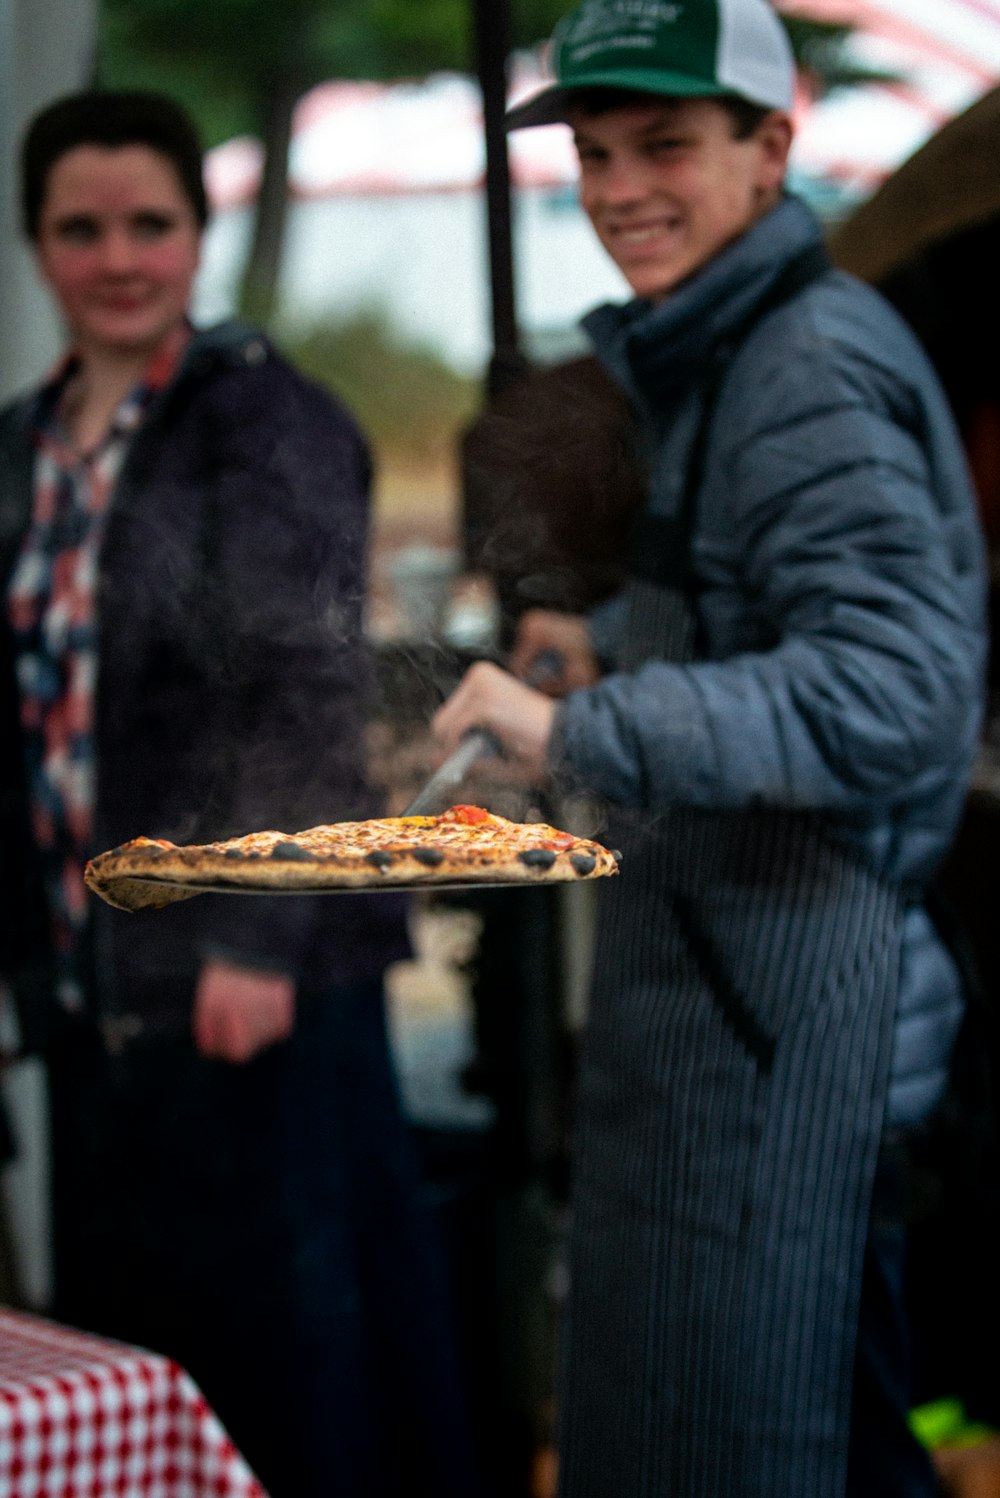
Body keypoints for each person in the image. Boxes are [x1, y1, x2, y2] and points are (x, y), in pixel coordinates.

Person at [432, 2, 989, 1494]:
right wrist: (605, 641)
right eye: (598, 151)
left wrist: (578, 722)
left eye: (666, 144)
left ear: (772, 147)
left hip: (797, 1020)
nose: (619, 189)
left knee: (794, 1449)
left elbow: (896, 689)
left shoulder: (803, 362)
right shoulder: (718, 352)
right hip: (733, 1008)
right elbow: (774, 623)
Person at [0, 90, 479, 1498]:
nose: (119, 257)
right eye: (80, 227)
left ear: (200, 234)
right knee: (140, 1350)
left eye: (151, 222)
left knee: (298, 1358)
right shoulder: (21, 446)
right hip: (97, 984)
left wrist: (251, 940)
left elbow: (304, 694)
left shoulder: (265, 421)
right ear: (37, 245)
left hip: (252, 980)